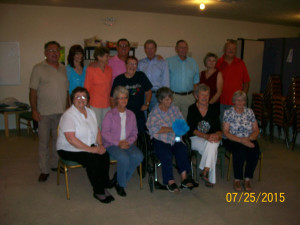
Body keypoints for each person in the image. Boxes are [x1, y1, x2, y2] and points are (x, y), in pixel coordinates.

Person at [56, 87, 113, 204]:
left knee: (104, 154)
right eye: (78, 97)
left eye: (84, 97)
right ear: (73, 99)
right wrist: (91, 150)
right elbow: (71, 139)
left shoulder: (90, 112)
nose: (81, 99)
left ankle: (104, 184)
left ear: (87, 99)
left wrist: (100, 145)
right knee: (92, 160)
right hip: (68, 148)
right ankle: (98, 191)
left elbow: (97, 130)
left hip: (87, 145)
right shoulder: (69, 115)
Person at [29, 41, 69, 182]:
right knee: (44, 142)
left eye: (57, 50)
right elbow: (33, 91)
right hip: (44, 113)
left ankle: (54, 164)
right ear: (45, 53)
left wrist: (68, 108)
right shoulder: (38, 68)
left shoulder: (63, 68)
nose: (54, 53)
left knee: (58, 142)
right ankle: (44, 169)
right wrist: (34, 110)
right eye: (51, 50)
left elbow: (66, 90)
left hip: (61, 113)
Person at [146, 87, 196, 193]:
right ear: (160, 100)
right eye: (166, 99)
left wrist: (174, 129)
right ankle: (170, 181)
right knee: (166, 154)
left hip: (175, 138)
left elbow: (182, 123)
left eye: (170, 98)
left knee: (182, 149)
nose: (170, 101)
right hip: (160, 139)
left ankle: (184, 178)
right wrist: (173, 128)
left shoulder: (174, 109)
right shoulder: (155, 112)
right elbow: (154, 129)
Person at [102, 86, 144, 197]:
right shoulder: (110, 115)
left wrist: (128, 142)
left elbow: (134, 132)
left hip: (127, 143)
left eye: (125, 97)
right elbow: (105, 133)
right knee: (124, 158)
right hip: (112, 144)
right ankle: (120, 184)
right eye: (120, 98)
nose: (123, 100)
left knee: (139, 156)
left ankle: (119, 177)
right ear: (116, 100)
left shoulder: (131, 114)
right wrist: (118, 143)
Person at [222, 90, 260, 192]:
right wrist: (241, 140)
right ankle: (237, 179)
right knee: (240, 152)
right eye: (237, 100)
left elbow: (256, 129)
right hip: (233, 139)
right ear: (233, 101)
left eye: (242, 100)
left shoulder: (250, 112)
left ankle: (247, 178)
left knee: (254, 151)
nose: (239, 102)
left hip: (248, 138)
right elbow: (226, 132)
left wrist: (250, 138)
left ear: (245, 102)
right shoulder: (228, 112)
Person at [187, 84, 222, 187]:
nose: (205, 98)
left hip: (211, 138)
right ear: (196, 96)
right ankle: (207, 173)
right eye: (202, 95)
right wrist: (207, 136)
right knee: (213, 147)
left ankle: (205, 171)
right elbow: (192, 129)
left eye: (207, 95)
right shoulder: (192, 108)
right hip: (195, 138)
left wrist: (217, 136)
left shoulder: (213, 109)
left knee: (212, 145)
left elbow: (218, 129)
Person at [110, 56, 152, 133]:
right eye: (130, 64)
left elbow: (148, 92)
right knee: (124, 134)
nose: (132, 66)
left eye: (135, 64)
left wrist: (147, 104)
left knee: (138, 135)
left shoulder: (141, 76)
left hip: (138, 113)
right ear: (125, 65)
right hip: (123, 114)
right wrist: (115, 112)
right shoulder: (119, 79)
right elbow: (112, 98)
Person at [216, 39, 250, 121]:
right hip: (221, 101)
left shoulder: (241, 63)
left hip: (237, 102)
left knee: (237, 125)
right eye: (229, 48)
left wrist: (242, 98)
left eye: (233, 48)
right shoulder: (218, 63)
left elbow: (246, 82)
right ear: (224, 49)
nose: (231, 50)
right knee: (223, 125)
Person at [167, 40, 199, 118]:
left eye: (185, 47)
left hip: (189, 97)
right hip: (173, 96)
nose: (183, 49)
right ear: (176, 49)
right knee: (172, 119)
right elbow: (165, 80)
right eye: (181, 47)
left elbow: (196, 82)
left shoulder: (193, 62)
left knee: (188, 120)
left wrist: (196, 97)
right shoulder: (168, 61)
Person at [138, 39, 170, 111]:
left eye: (152, 48)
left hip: (157, 95)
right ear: (145, 50)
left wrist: (164, 96)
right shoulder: (140, 63)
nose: (150, 50)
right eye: (148, 48)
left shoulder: (162, 62)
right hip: (143, 95)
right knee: (143, 117)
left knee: (156, 118)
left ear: (155, 49)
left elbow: (166, 81)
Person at [84, 47, 112, 129]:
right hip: (95, 104)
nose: (108, 58)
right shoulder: (91, 70)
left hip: (107, 104)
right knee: (96, 127)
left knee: (107, 127)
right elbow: (86, 88)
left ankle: (104, 142)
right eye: (106, 56)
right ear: (99, 57)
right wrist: (87, 105)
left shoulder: (109, 69)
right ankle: (97, 142)